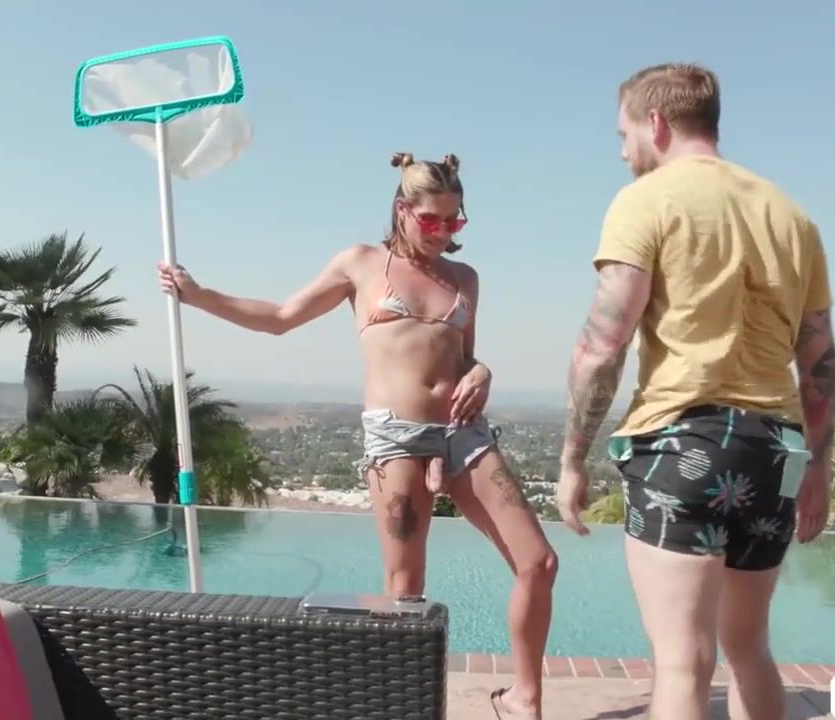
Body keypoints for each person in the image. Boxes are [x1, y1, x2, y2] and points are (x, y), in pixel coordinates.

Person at [158, 152, 558, 719]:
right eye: (431, 219)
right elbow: (280, 317)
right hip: (397, 438)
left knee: (539, 562)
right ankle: (406, 707)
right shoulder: (361, 264)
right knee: (405, 587)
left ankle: (524, 699)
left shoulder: (465, 278)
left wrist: (482, 371)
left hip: (464, 433)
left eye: (454, 221)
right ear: (401, 209)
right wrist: (199, 295)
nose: (442, 232)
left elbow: (464, 357)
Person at [555, 63, 835, 720]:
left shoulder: (646, 199)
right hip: (775, 453)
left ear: (655, 122)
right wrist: (819, 468)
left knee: (683, 661)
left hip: (683, 443)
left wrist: (573, 458)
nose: (623, 151)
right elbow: (820, 361)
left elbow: (602, 345)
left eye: (624, 134)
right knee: (749, 647)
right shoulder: (791, 215)